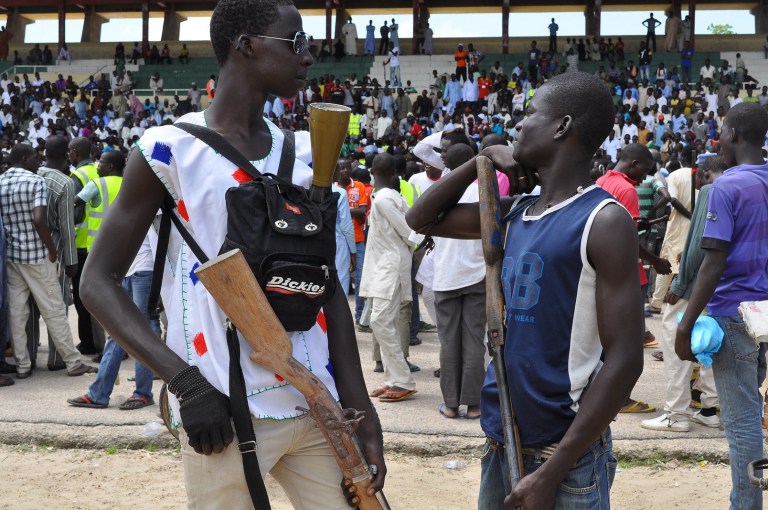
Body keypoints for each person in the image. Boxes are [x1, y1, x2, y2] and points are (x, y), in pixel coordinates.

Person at [77, 1, 386, 507]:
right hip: (223, 407)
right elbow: (97, 281)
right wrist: (186, 384)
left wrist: (362, 411)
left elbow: (326, 291)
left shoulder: (309, 154)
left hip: (315, 404)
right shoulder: (167, 150)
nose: (309, 58)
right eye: (297, 43)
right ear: (246, 45)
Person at [407, 72, 643, 509]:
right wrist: (480, 160)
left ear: (562, 126)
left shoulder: (603, 221)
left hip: (564, 455)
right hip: (502, 439)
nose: (519, 124)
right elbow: (420, 218)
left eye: (530, 113)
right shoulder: (514, 212)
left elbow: (626, 360)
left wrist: (552, 471)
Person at [676, 103, 768, 510]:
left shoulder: (726, 187)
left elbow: (712, 260)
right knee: (753, 401)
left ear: (732, 134)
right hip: (764, 312)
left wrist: (685, 323)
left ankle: (746, 505)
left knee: (743, 417)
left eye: (721, 131)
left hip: (734, 313)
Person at [641, 155, 726, 434]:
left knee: (674, 333)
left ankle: (676, 413)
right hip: (726, 284)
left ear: (703, 173)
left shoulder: (711, 190)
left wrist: (680, 285)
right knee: (711, 341)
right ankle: (711, 409)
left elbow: (698, 243)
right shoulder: (748, 186)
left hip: (697, 280)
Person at [0, 144, 96, 379]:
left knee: (17, 313)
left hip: (12, 257)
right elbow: (39, 219)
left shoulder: (1, 181)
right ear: (24, 159)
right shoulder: (36, 182)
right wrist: (52, 250)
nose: (38, 161)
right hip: (37, 255)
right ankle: (73, 362)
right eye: (34, 157)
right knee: (53, 308)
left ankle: (22, 365)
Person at [362, 153, 417, 403]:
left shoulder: (384, 200)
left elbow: (409, 234)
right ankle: (393, 380)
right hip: (385, 267)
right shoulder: (390, 196)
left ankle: (403, 381)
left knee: (381, 322)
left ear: (372, 172)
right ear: (394, 173)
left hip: (389, 267)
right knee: (385, 323)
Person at [35, 136, 78, 371]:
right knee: (58, 306)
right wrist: (71, 261)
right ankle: (56, 357)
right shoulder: (65, 183)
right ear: (67, 153)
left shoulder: (33, 175)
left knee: (31, 308)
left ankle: (30, 356)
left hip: (29, 248)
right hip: (57, 251)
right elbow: (67, 227)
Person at [68, 137, 106, 356]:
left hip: (83, 243)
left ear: (75, 152)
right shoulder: (96, 170)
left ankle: (89, 342)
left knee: (83, 299)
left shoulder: (77, 177)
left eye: (69, 152)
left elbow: (75, 213)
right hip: (106, 240)